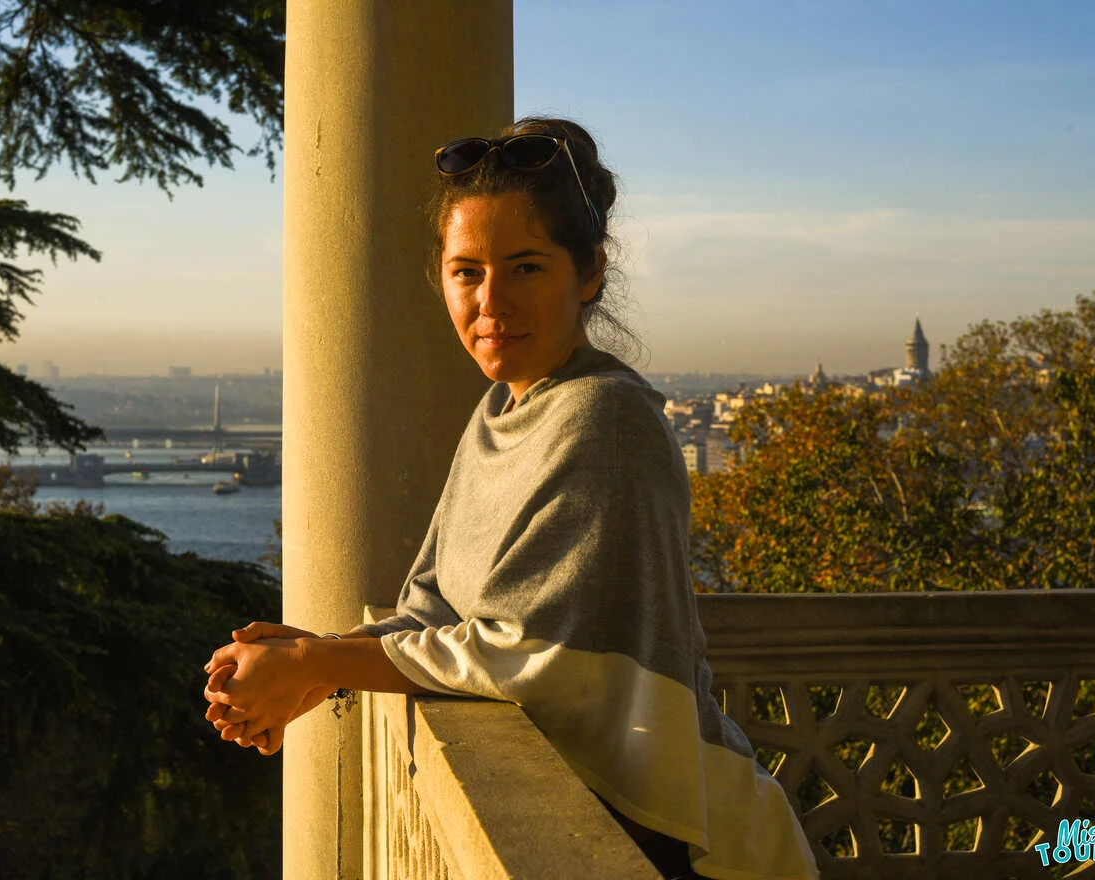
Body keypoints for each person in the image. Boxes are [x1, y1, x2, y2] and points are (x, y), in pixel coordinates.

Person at [203, 117, 819, 880]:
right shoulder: (502, 410)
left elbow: (532, 650)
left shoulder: (604, 418)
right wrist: (317, 660)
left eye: (525, 268)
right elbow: (436, 613)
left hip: (675, 839)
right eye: (467, 271)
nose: (490, 302)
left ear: (589, 272)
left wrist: (315, 661)